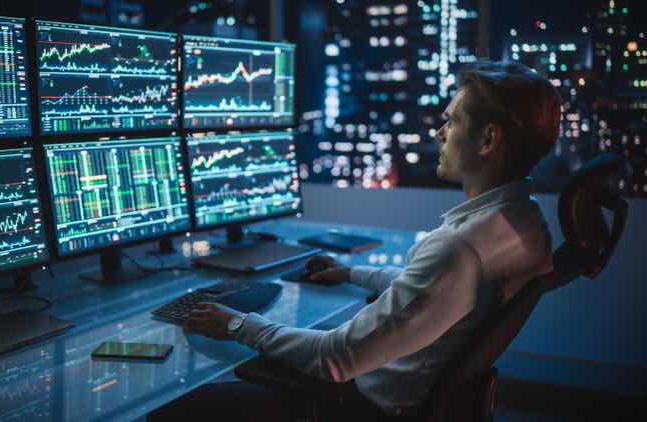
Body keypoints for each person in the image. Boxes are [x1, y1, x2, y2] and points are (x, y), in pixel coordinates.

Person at [149, 59, 560, 421]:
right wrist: (352, 273)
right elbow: (430, 291)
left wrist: (236, 323)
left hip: (354, 407)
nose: (439, 132)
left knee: (170, 406)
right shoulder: (523, 221)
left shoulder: (460, 249)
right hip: (417, 396)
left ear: (488, 140)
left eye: (452, 121)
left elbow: (335, 359)